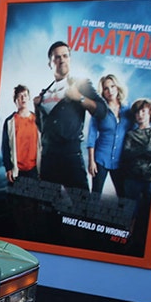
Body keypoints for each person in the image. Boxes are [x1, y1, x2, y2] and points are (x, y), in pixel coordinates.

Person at [33, 41, 99, 191]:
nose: (62, 59)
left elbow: (101, 111)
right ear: (50, 63)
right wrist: (36, 108)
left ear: (70, 59)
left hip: (70, 157)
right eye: (57, 57)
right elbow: (42, 128)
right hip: (48, 159)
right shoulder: (44, 94)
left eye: (65, 56)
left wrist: (80, 97)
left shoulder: (81, 85)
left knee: (81, 208)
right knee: (48, 208)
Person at [86, 73, 131, 197]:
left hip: (120, 160)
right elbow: (91, 136)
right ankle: (90, 216)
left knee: (123, 195)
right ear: (102, 91)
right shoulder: (99, 110)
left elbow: (135, 132)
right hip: (101, 158)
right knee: (95, 194)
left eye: (112, 86)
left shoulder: (128, 109)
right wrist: (91, 161)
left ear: (118, 87)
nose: (110, 91)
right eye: (106, 88)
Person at [121, 97, 151, 211]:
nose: (140, 114)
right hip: (132, 177)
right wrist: (146, 149)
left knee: (149, 211)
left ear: (150, 113)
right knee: (130, 211)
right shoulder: (130, 134)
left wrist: (137, 151)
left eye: (143, 111)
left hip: (150, 178)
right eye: (137, 112)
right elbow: (126, 154)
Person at [1, 84, 40, 183]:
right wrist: (8, 168)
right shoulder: (10, 122)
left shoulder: (37, 120)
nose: (23, 98)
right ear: (15, 100)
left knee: (35, 197)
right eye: (19, 96)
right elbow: (5, 147)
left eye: (25, 95)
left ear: (29, 98)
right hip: (17, 170)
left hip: (35, 170)